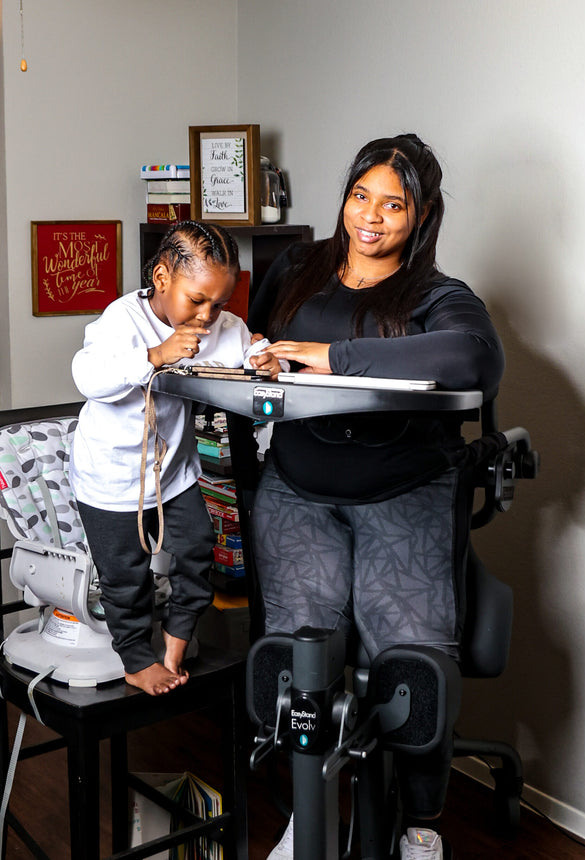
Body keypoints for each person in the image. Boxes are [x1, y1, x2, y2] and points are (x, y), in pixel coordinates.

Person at [248, 135, 505, 859]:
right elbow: (252, 337)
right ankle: (308, 815)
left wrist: (328, 359)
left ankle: (420, 828)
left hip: (407, 491)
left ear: (421, 217)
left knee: (410, 666)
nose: (371, 216)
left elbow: (473, 360)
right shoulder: (298, 270)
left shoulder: (437, 297)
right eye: (361, 195)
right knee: (297, 658)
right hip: (299, 490)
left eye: (394, 204)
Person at [71, 220, 283, 696]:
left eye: (220, 303)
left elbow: (247, 353)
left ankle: (176, 636)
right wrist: (154, 355)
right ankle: (135, 658)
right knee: (126, 576)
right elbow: (87, 377)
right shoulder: (121, 320)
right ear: (163, 278)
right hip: (110, 475)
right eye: (197, 300)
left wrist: (267, 361)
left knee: (197, 548)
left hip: (173, 473)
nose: (208, 315)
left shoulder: (219, 326)